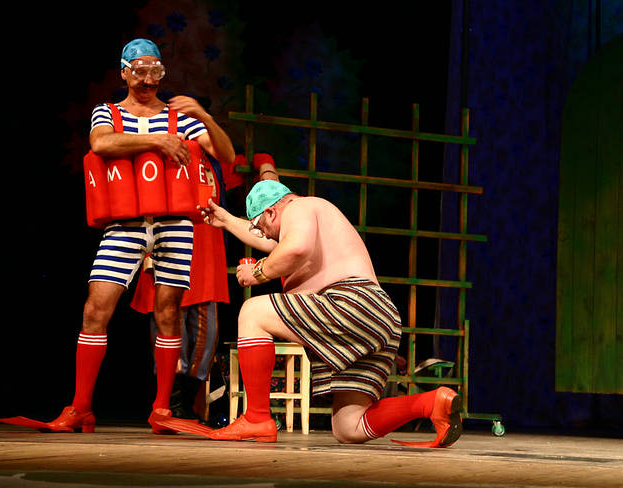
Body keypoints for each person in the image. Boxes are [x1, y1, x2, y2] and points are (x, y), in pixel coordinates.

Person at [46, 38, 235, 433]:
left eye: (156, 71)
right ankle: (81, 407)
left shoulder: (181, 119)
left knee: (168, 313)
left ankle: (162, 409)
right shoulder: (109, 112)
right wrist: (156, 140)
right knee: (96, 309)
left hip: (174, 225)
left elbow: (226, 155)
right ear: (124, 73)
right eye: (140, 71)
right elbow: (101, 142)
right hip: (125, 225)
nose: (148, 79)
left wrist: (204, 116)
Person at [199, 180, 462, 446]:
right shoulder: (308, 221)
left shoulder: (299, 207)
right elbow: (277, 244)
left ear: (271, 212)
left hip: (352, 304)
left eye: (260, 226)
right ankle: (432, 402)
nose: (263, 235)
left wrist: (258, 272)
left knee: (252, 312)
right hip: (377, 319)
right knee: (349, 427)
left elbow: (296, 248)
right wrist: (227, 220)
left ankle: (256, 418)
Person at [130, 153, 280, 422]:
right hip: (170, 248)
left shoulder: (213, 160)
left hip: (206, 255)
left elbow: (254, 158)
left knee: (205, 337)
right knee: (168, 329)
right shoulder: (163, 153)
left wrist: (267, 166)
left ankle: (186, 402)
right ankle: (170, 403)